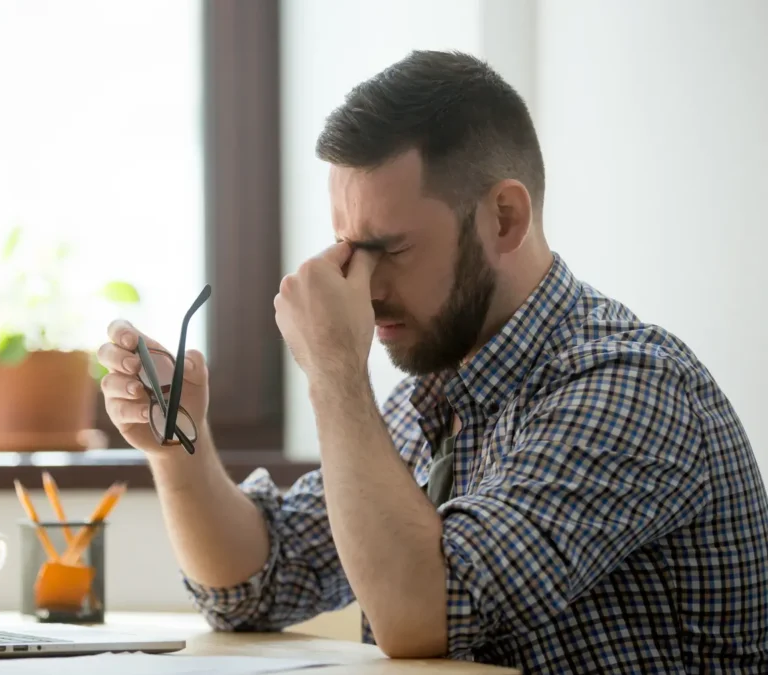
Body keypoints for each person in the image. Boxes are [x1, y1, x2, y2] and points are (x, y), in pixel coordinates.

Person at [96, 50, 768, 673]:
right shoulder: (434, 399)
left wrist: (335, 369)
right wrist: (176, 449)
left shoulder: (628, 387)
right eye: (347, 249)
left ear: (504, 218)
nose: (365, 284)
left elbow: (425, 614)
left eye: (389, 248)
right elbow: (255, 582)